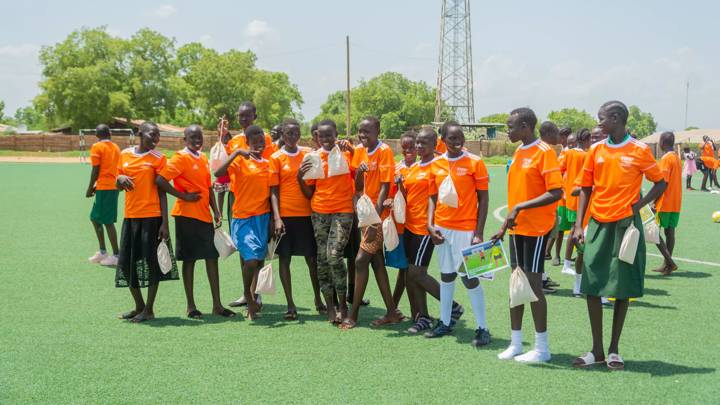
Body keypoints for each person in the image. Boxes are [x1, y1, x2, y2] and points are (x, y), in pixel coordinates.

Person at [572, 101, 667, 370]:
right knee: (591, 283)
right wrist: (579, 225)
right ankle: (596, 350)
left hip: (627, 226)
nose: (598, 123)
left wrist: (640, 204)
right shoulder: (596, 150)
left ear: (616, 119)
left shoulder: (638, 150)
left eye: (602, 119)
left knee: (622, 286)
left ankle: (614, 350)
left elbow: (660, 182)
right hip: (598, 223)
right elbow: (585, 188)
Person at [492, 108, 563, 363]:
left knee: (533, 286)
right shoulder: (519, 151)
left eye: (510, 127)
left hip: (536, 229)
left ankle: (542, 348)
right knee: (516, 284)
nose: (507, 131)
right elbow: (517, 195)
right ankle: (516, 343)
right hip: (517, 229)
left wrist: (521, 208)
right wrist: (504, 226)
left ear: (525, 126)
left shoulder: (545, 152)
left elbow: (556, 192)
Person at [156, 125, 234, 319]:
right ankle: (191, 306)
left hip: (204, 216)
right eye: (192, 137)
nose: (196, 140)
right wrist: (182, 195)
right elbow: (161, 180)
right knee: (190, 260)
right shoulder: (179, 158)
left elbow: (207, 188)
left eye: (199, 137)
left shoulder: (203, 157)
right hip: (186, 216)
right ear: (184, 139)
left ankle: (217, 305)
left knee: (211, 258)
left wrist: (216, 210)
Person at [424, 122, 491, 347]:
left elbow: (484, 198)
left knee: (469, 277)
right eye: (451, 138)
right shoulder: (435, 164)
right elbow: (432, 197)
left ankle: (483, 328)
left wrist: (479, 232)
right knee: (446, 275)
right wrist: (430, 224)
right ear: (442, 140)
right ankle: (444, 322)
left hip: (466, 229)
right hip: (442, 228)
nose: (456, 141)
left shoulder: (475, 162)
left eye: (459, 137)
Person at [342, 116, 402, 329]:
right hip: (364, 214)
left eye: (367, 131)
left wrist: (375, 219)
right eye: (360, 131)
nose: (363, 135)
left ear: (378, 131)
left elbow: (385, 185)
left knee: (360, 261)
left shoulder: (384, 151)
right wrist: (359, 172)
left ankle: (353, 314)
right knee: (376, 263)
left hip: (378, 216)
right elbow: (358, 186)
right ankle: (392, 311)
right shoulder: (358, 151)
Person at [402, 127, 464, 334]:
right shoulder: (415, 166)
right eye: (417, 142)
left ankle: (452, 306)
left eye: (424, 143)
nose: (419, 146)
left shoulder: (439, 166)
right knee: (413, 274)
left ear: (434, 144)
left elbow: (443, 195)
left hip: (425, 228)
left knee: (416, 273)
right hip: (410, 226)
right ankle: (424, 318)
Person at [115, 122, 178, 323]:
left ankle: (149, 309)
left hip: (152, 218)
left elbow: (162, 191)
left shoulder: (159, 159)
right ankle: (139, 306)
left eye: (158, 136)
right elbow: (117, 183)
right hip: (130, 217)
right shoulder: (124, 154)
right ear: (139, 133)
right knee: (126, 264)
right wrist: (120, 178)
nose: (156, 139)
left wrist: (164, 223)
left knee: (152, 264)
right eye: (153, 134)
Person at [297, 119, 356, 325]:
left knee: (334, 255)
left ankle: (343, 304)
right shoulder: (313, 157)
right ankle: (329, 305)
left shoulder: (347, 153)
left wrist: (353, 151)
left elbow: (359, 174)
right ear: (316, 137)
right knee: (322, 258)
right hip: (320, 212)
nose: (325, 139)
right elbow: (308, 192)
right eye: (321, 136)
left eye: (329, 135)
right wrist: (299, 177)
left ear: (336, 134)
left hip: (343, 211)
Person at [270, 118, 325, 319]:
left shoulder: (307, 154)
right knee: (285, 259)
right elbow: (274, 191)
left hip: (306, 215)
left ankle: (318, 300)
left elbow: (314, 183)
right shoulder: (276, 157)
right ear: (282, 136)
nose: (292, 137)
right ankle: (290, 304)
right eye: (288, 134)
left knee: (312, 259)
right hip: (285, 216)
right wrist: (277, 218)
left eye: (296, 133)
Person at [215, 125, 272, 321]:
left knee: (260, 260)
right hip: (242, 217)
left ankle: (254, 297)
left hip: (263, 218)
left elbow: (272, 193)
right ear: (247, 143)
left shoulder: (268, 164)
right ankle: (248, 295)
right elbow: (218, 173)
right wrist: (237, 153)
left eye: (262, 142)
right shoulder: (239, 162)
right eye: (254, 142)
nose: (259, 145)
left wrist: (274, 220)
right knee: (250, 260)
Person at [225, 102, 275, 308]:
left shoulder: (266, 138)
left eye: (247, 116)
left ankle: (257, 292)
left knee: (259, 252)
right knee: (245, 250)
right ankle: (247, 294)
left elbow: (269, 165)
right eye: (240, 116)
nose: (244, 119)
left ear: (255, 115)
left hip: (261, 200)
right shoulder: (234, 141)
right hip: (238, 198)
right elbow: (223, 172)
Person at [387, 131, 415, 313]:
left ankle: (400, 308)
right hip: (400, 226)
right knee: (404, 269)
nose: (408, 151)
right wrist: (389, 200)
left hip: (416, 226)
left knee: (410, 271)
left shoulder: (422, 167)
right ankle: (395, 307)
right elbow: (390, 196)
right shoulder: (396, 169)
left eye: (411, 147)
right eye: (404, 148)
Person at [86, 124, 121, 266]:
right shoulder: (116, 147)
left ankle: (117, 255)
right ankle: (102, 251)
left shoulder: (96, 147)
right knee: (95, 218)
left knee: (107, 221)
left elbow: (96, 169)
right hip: (110, 187)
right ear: (110, 133)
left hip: (107, 188)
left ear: (96, 135)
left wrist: (89, 188)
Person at [560, 129, 590, 280]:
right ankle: (568, 263)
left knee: (572, 229)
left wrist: (563, 188)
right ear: (587, 140)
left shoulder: (568, 153)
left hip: (570, 197)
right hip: (581, 199)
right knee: (575, 230)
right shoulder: (586, 155)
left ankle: (567, 262)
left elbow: (559, 169)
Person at [652, 132, 682, 275]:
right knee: (670, 232)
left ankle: (669, 262)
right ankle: (667, 265)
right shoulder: (676, 157)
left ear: (662, 142)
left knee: (653, 232)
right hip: (676, 202)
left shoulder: (665, 159)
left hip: (665, 202)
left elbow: (662, 183)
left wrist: (654, 201)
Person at [538, 122, 562, 294]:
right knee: (539, 251)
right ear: (547, 133)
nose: (558, 137)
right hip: (541, 214)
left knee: (541, 250)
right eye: (556, 133)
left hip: (548, 211)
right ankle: (539, 282)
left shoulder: (545, 150)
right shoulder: (545, 152)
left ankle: (543, 278)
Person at [214, 116, 232, 224]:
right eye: (222, 126)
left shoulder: (230, 140)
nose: (224, 128)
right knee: (221, 194)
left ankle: (230, 212)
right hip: (221, 171)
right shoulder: (219, 140)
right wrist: (220, 128)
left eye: (225, 126)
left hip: (229, 171)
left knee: (230, 193)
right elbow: (219, 137)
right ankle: (220, 212)